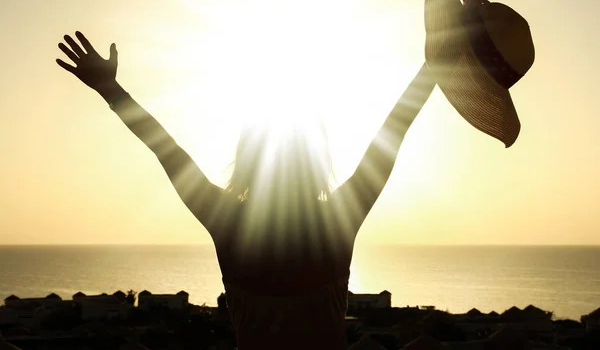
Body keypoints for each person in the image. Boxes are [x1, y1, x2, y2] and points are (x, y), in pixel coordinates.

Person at [56, 31, 436, 349]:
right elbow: (393, 131)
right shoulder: (338, 221)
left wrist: (110, 89)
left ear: (249, 159)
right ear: (315, 160)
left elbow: (165, 149)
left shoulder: (227, 222)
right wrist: (433, 67)